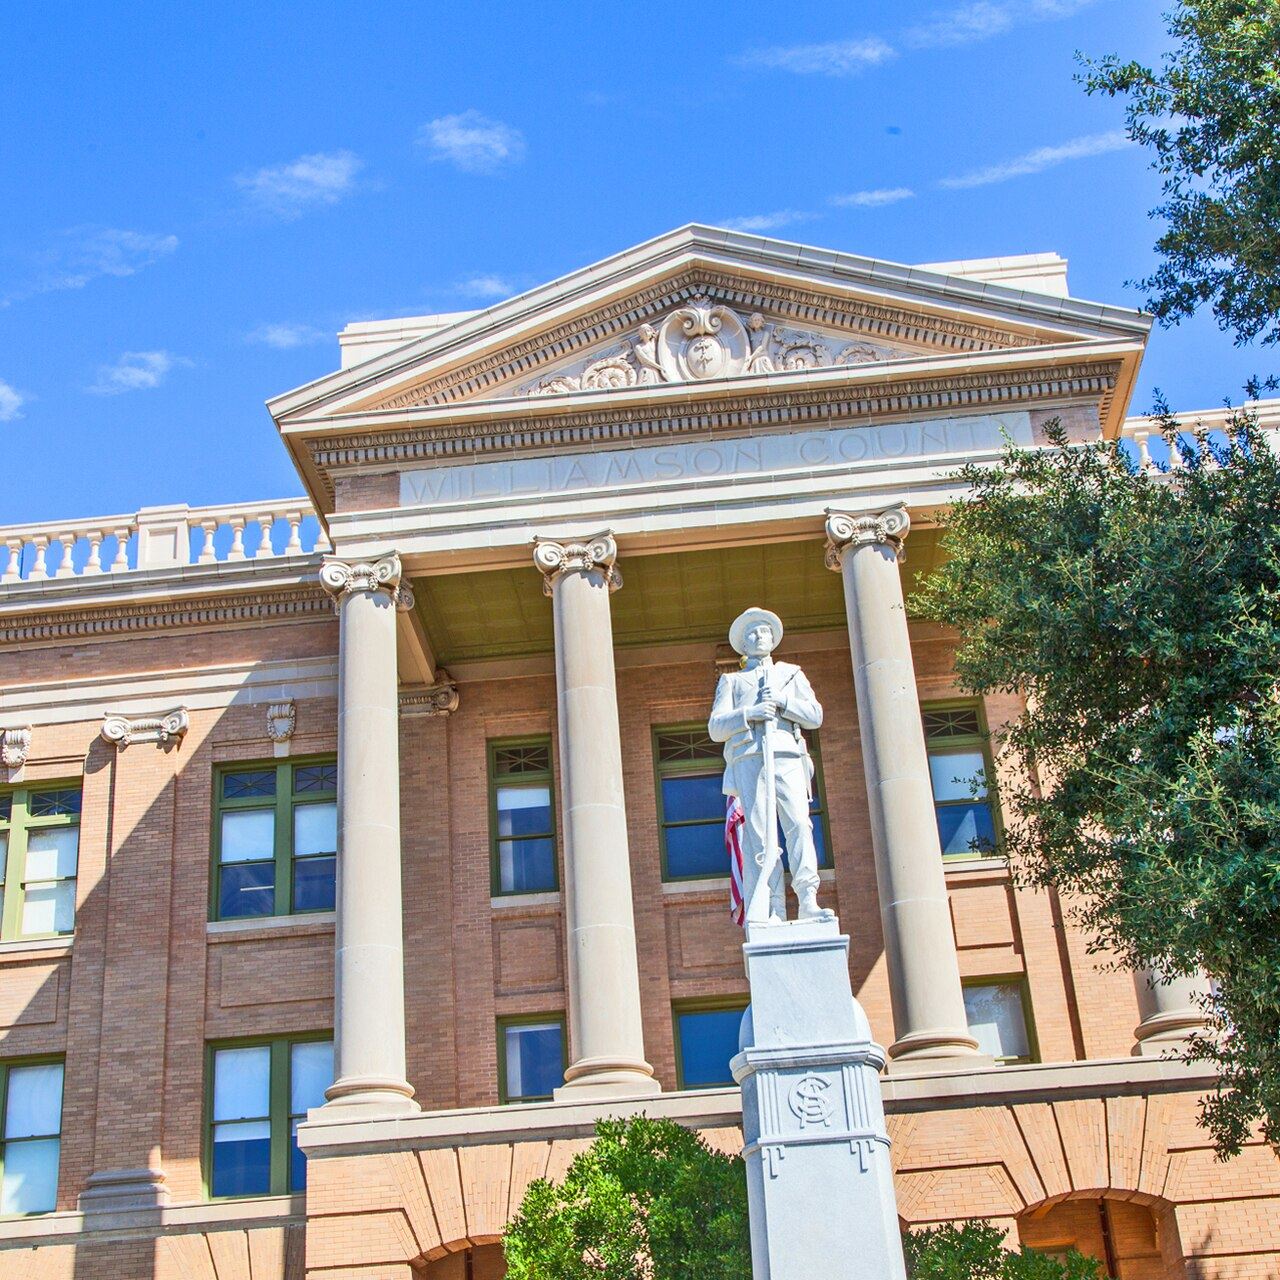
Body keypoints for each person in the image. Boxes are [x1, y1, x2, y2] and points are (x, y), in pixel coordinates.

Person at [708, 607, 833, 924]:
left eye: (764, 630)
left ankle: (807, 899)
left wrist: (782, 702)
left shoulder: (791, 674)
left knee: (800, 827)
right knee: (762, 837)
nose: (759, 635)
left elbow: (815, 716)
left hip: (787, 755)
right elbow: (716, 728)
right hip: (751, 759)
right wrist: (750, 712)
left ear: (773, 638)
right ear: (743, 645)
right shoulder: (733, 681)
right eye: (751, 632)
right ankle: (774, 906)